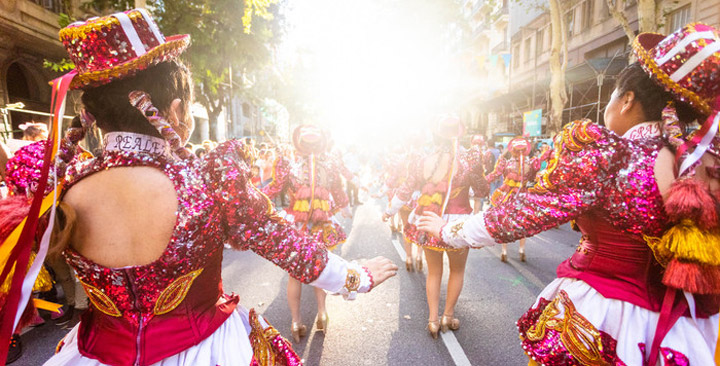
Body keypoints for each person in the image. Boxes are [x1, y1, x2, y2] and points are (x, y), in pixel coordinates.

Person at [0, 10, 397, 366]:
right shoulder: (207, 178)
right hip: (210, 350)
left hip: (93, 353)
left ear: (94, 118)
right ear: (174, 111)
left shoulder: (60, 185)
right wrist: (353, 276)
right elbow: (284, 243)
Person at [418, 23, 720, 365]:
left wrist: (449, 231)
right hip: (682, 334)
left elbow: (527, 211)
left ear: (627, 101)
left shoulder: (611, 155)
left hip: (605, 321)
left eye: (611, 97)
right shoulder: (702, 168)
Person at [383, 116, 487, 338]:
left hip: (430, 221)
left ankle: (432, 320)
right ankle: (448, 316)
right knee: (457, 270)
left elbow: (406, 189)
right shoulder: (469, 161)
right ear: (460, 132)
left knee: (434, 271)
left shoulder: (423, 160)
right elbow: (483, 190)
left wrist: (390, 211)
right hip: (459, 224)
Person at [262, 125, 355, 343]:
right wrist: (345, 207)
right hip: (322, 226)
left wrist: (254, 197)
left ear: (299, 142)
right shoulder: (329, 163)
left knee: (295, 276)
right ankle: (322, 313)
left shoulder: (288, 163)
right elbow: (339, 190)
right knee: (319, 271)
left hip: (297, 227)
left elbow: (274, 188)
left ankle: (296, 321)